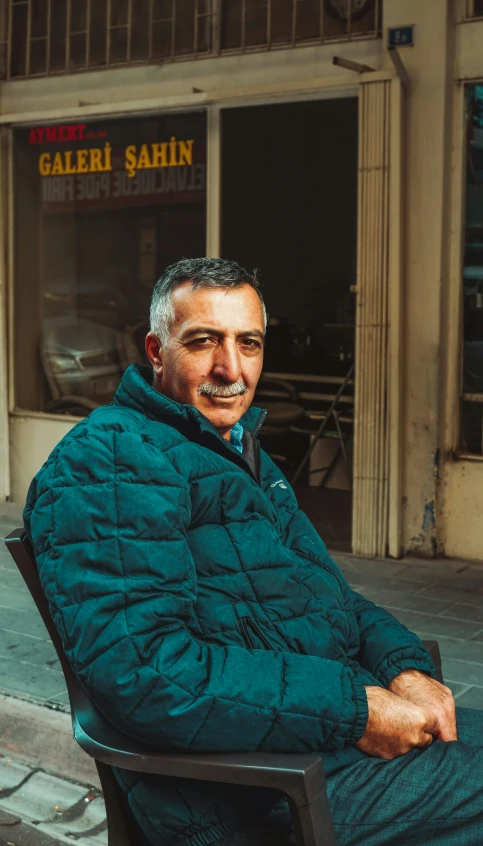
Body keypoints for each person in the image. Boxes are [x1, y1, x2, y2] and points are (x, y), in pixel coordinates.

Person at [24, 257, 483, 846]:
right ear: (156, 350)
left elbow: (333, 599)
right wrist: (356, 710)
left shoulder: (230, 448)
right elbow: (147, 671)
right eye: (203, 341)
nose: (231, 368)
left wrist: (406, 667)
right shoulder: (112, 459)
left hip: (313, 745)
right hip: (257, 789)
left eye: (249, 343)